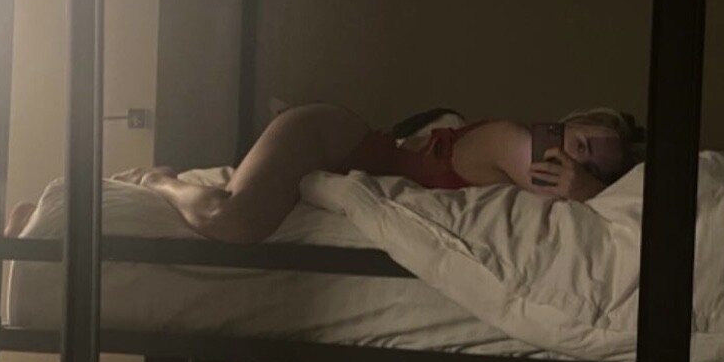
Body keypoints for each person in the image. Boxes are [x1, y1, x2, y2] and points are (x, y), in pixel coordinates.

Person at [120, 105, 641, 246]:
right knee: (230, 219)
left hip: (342, 152)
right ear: (570, 122)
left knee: (235, 216)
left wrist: (592, 186)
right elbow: (559, 186)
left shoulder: (535, 162)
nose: (581, 159)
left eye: (594, 164)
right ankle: (159, 180)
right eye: (585, 141)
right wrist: (591, 189)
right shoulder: (513, 140)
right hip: (326, 136)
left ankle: (165, 180)